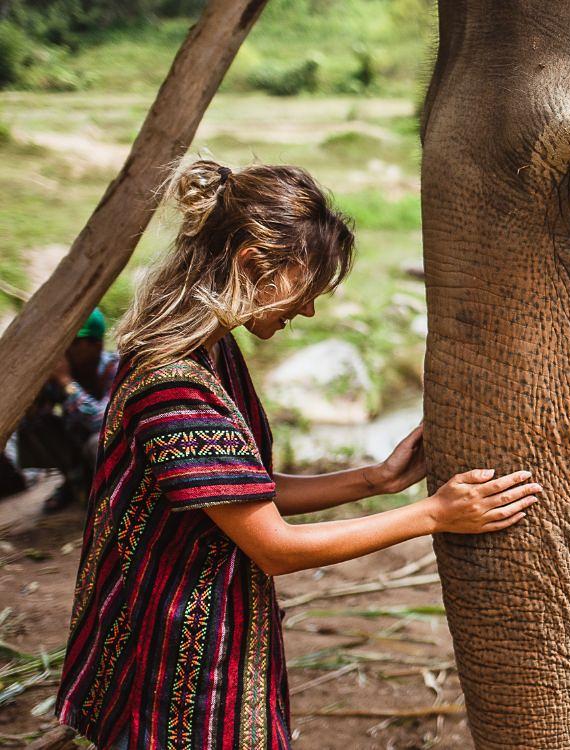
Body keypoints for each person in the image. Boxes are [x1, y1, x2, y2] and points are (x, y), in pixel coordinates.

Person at [54, 160, 541, 750]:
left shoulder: (210, 352)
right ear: (253, 265)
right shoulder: (173, 386)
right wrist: (432, 515)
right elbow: (274, 546)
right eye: (304, 289)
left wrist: (374, 479)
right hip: (179, 662)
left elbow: (244, 490)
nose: (306, 310)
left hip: (211, 628)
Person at [12, 308, 120, 512]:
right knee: (33, 424)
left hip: (107, 448)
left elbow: (103, 421)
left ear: (96, 345)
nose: (66, 350)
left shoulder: (114, 368)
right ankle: (74, 482)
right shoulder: (65, 370)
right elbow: (38, 415)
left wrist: (66, 382)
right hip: (75, 447)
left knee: (96, 441)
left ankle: (112, 493)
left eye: (74, 343)